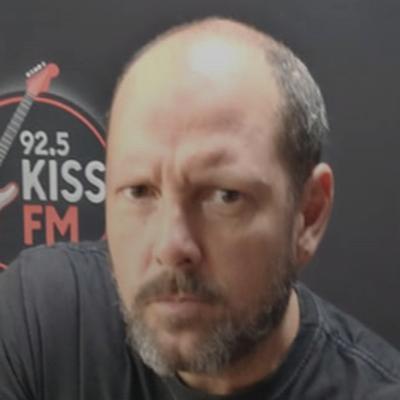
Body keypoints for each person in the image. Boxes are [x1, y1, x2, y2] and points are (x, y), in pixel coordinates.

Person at [0, 17, 399, 400]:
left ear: (308, 215)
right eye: (138, 191)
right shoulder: (42, 318)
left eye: (225, 196)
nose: (170, 247)